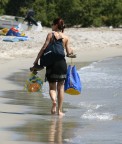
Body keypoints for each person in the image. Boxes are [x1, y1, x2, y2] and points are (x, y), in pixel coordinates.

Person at [33, 17, 75, 116]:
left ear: (56, 25)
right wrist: (72, 51)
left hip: (51, 63)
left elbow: (44, 48)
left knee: (52, 87)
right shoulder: (66, 37)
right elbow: (69, 53)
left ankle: (54, 102)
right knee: (61, 87)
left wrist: (36, 60)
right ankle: (60, 111)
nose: (51, 25)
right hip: (61, 64)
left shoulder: (50, 35)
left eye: (52, 24)